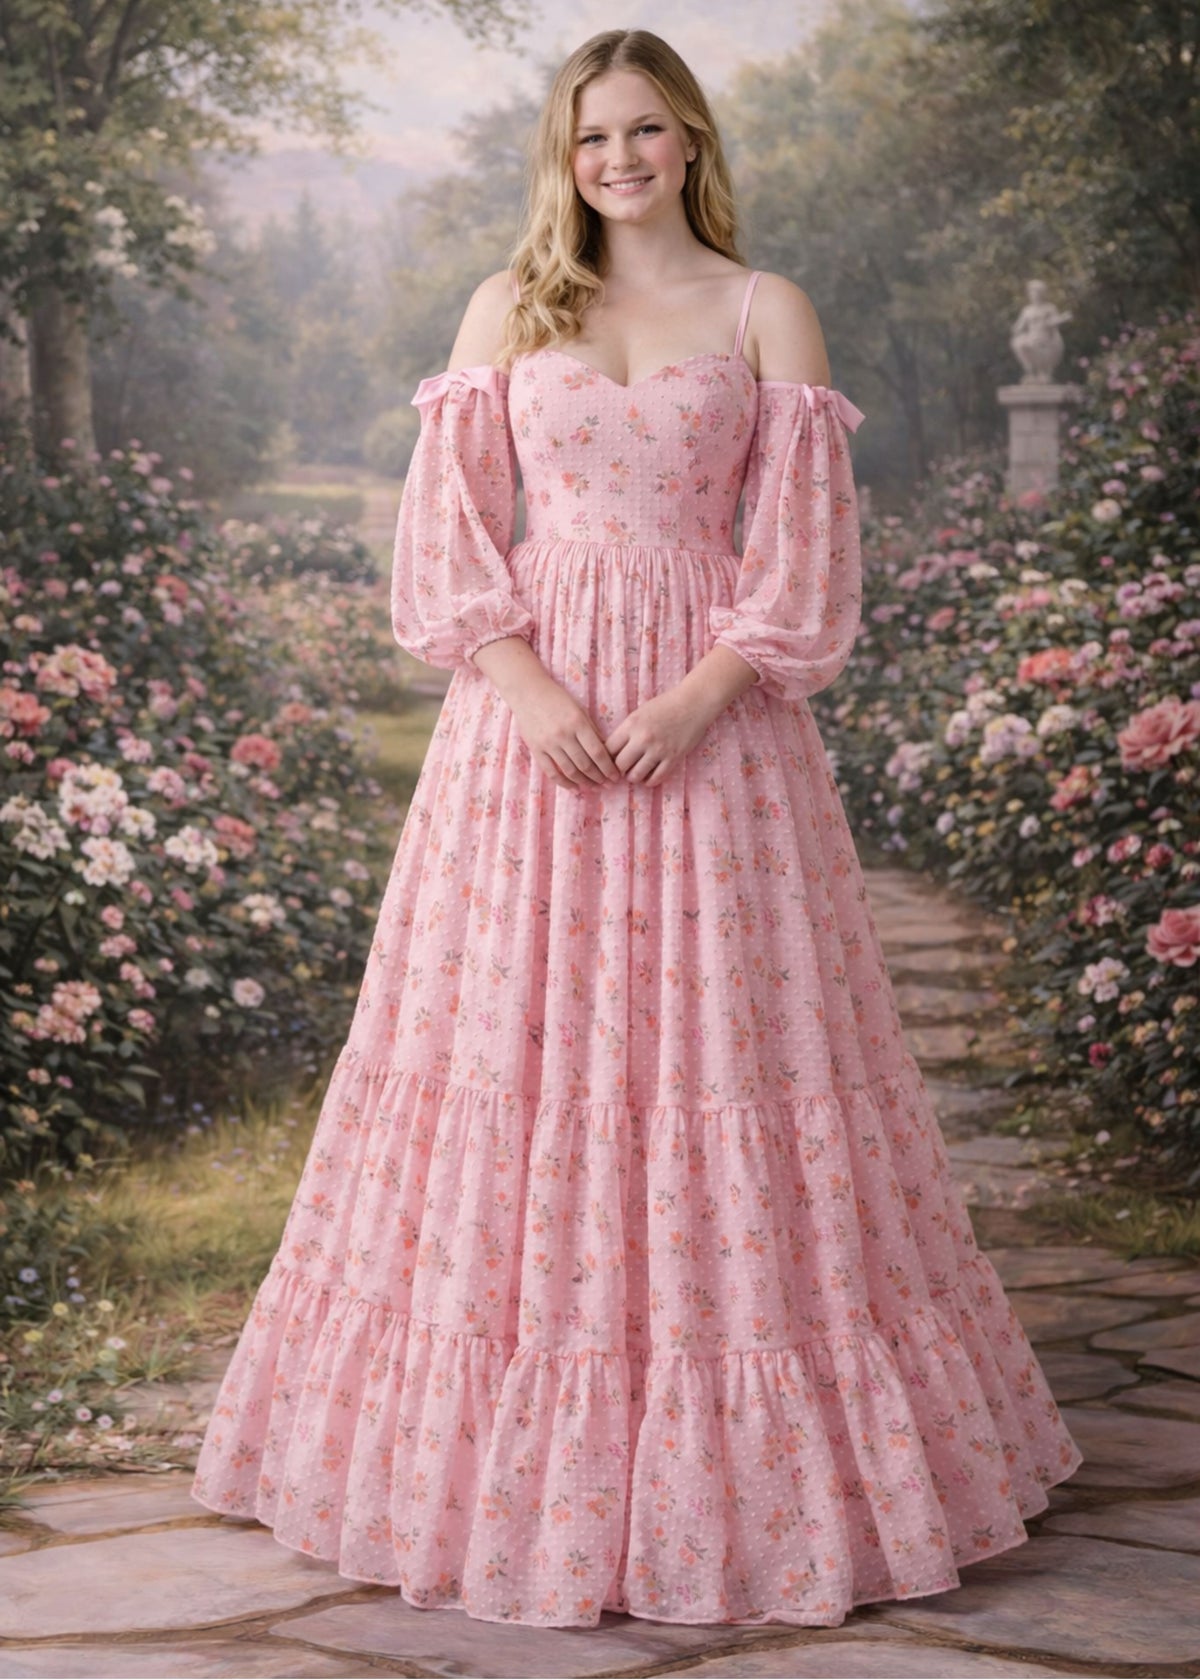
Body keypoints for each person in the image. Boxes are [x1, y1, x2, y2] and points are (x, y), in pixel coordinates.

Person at [191, 26, 1082, 1631]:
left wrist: (697, 697)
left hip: (719, 741)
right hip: (521, 745)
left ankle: (750, 1473)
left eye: (648, 133)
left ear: (690, 142)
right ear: (568, 149)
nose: (621, 160)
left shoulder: (764, 310)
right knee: (510, 1052)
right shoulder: (507, 307)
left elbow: (806, 558)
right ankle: (487, 1465)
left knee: (721, 1057)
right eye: (595, 136)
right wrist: (524, 684)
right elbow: (449, 530)